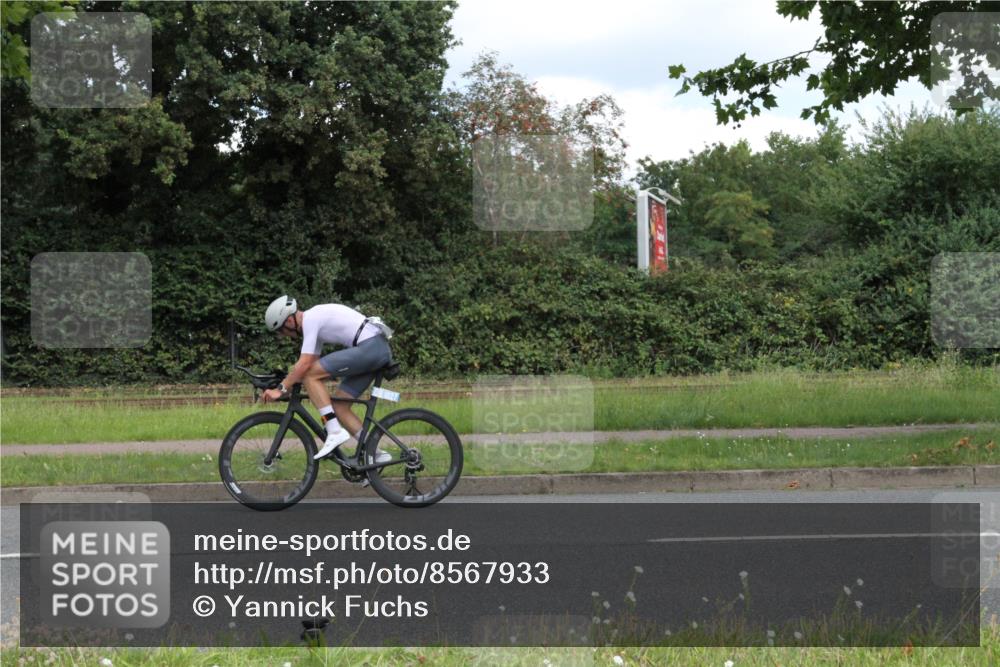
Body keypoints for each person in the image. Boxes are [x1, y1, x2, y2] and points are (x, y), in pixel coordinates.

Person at [261, 295, 393, 462]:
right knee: (339, 406)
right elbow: (310, 363)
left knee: (309, 374)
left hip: (371, 348)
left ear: (288, 322)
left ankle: (334, 431)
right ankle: (376, 453)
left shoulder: (311, 319)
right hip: (374, 349)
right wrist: (288, 382)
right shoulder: (313, 323)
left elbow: (305, 366)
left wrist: (280, 389)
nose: (284, 336)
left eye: (280, 331)